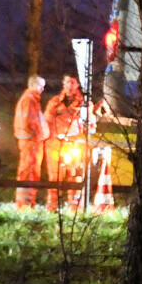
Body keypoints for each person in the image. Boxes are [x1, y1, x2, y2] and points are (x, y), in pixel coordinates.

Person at [43, 75, 86, 211]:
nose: (70, 85)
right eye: (67, 82)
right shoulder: (54, 102)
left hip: (75, 145)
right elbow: (46, 122)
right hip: (55, 144)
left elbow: (89, 125)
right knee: (54, 176)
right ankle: (53, 206)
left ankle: (74, 208)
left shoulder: (83, 104)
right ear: (63, 83)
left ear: (77, 85)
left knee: (75, 176)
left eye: (73, 82)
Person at [13, 75, 49, 210]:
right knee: (29, 172)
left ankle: (27, 202)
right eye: (40, 86)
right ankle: (24, 204)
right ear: (33, 85)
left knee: (31, 172)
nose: (42, 89)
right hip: (31, 142)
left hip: (32, 141)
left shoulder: (31, 99)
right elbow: (31, 123)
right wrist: (38, 135)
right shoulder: (29, 100)